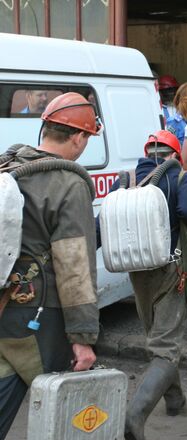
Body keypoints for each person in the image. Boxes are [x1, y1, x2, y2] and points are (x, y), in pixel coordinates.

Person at [0, 92, 101, 439]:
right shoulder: (69, 184)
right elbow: (75, 267)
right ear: (78, 136)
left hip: (4, 306)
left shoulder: (9, 167)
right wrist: (83, 339)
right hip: (37, 321)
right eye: (87, 139)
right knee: (72, 415)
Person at [97, 131, 187, 440]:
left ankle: (175, 400)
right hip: (170, 268)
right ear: (174, 155)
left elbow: (104, 224)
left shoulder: (125, 179)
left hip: (135, 272)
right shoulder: (180, 177)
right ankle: (134, 416)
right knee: (166, 345)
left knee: (158, 336)